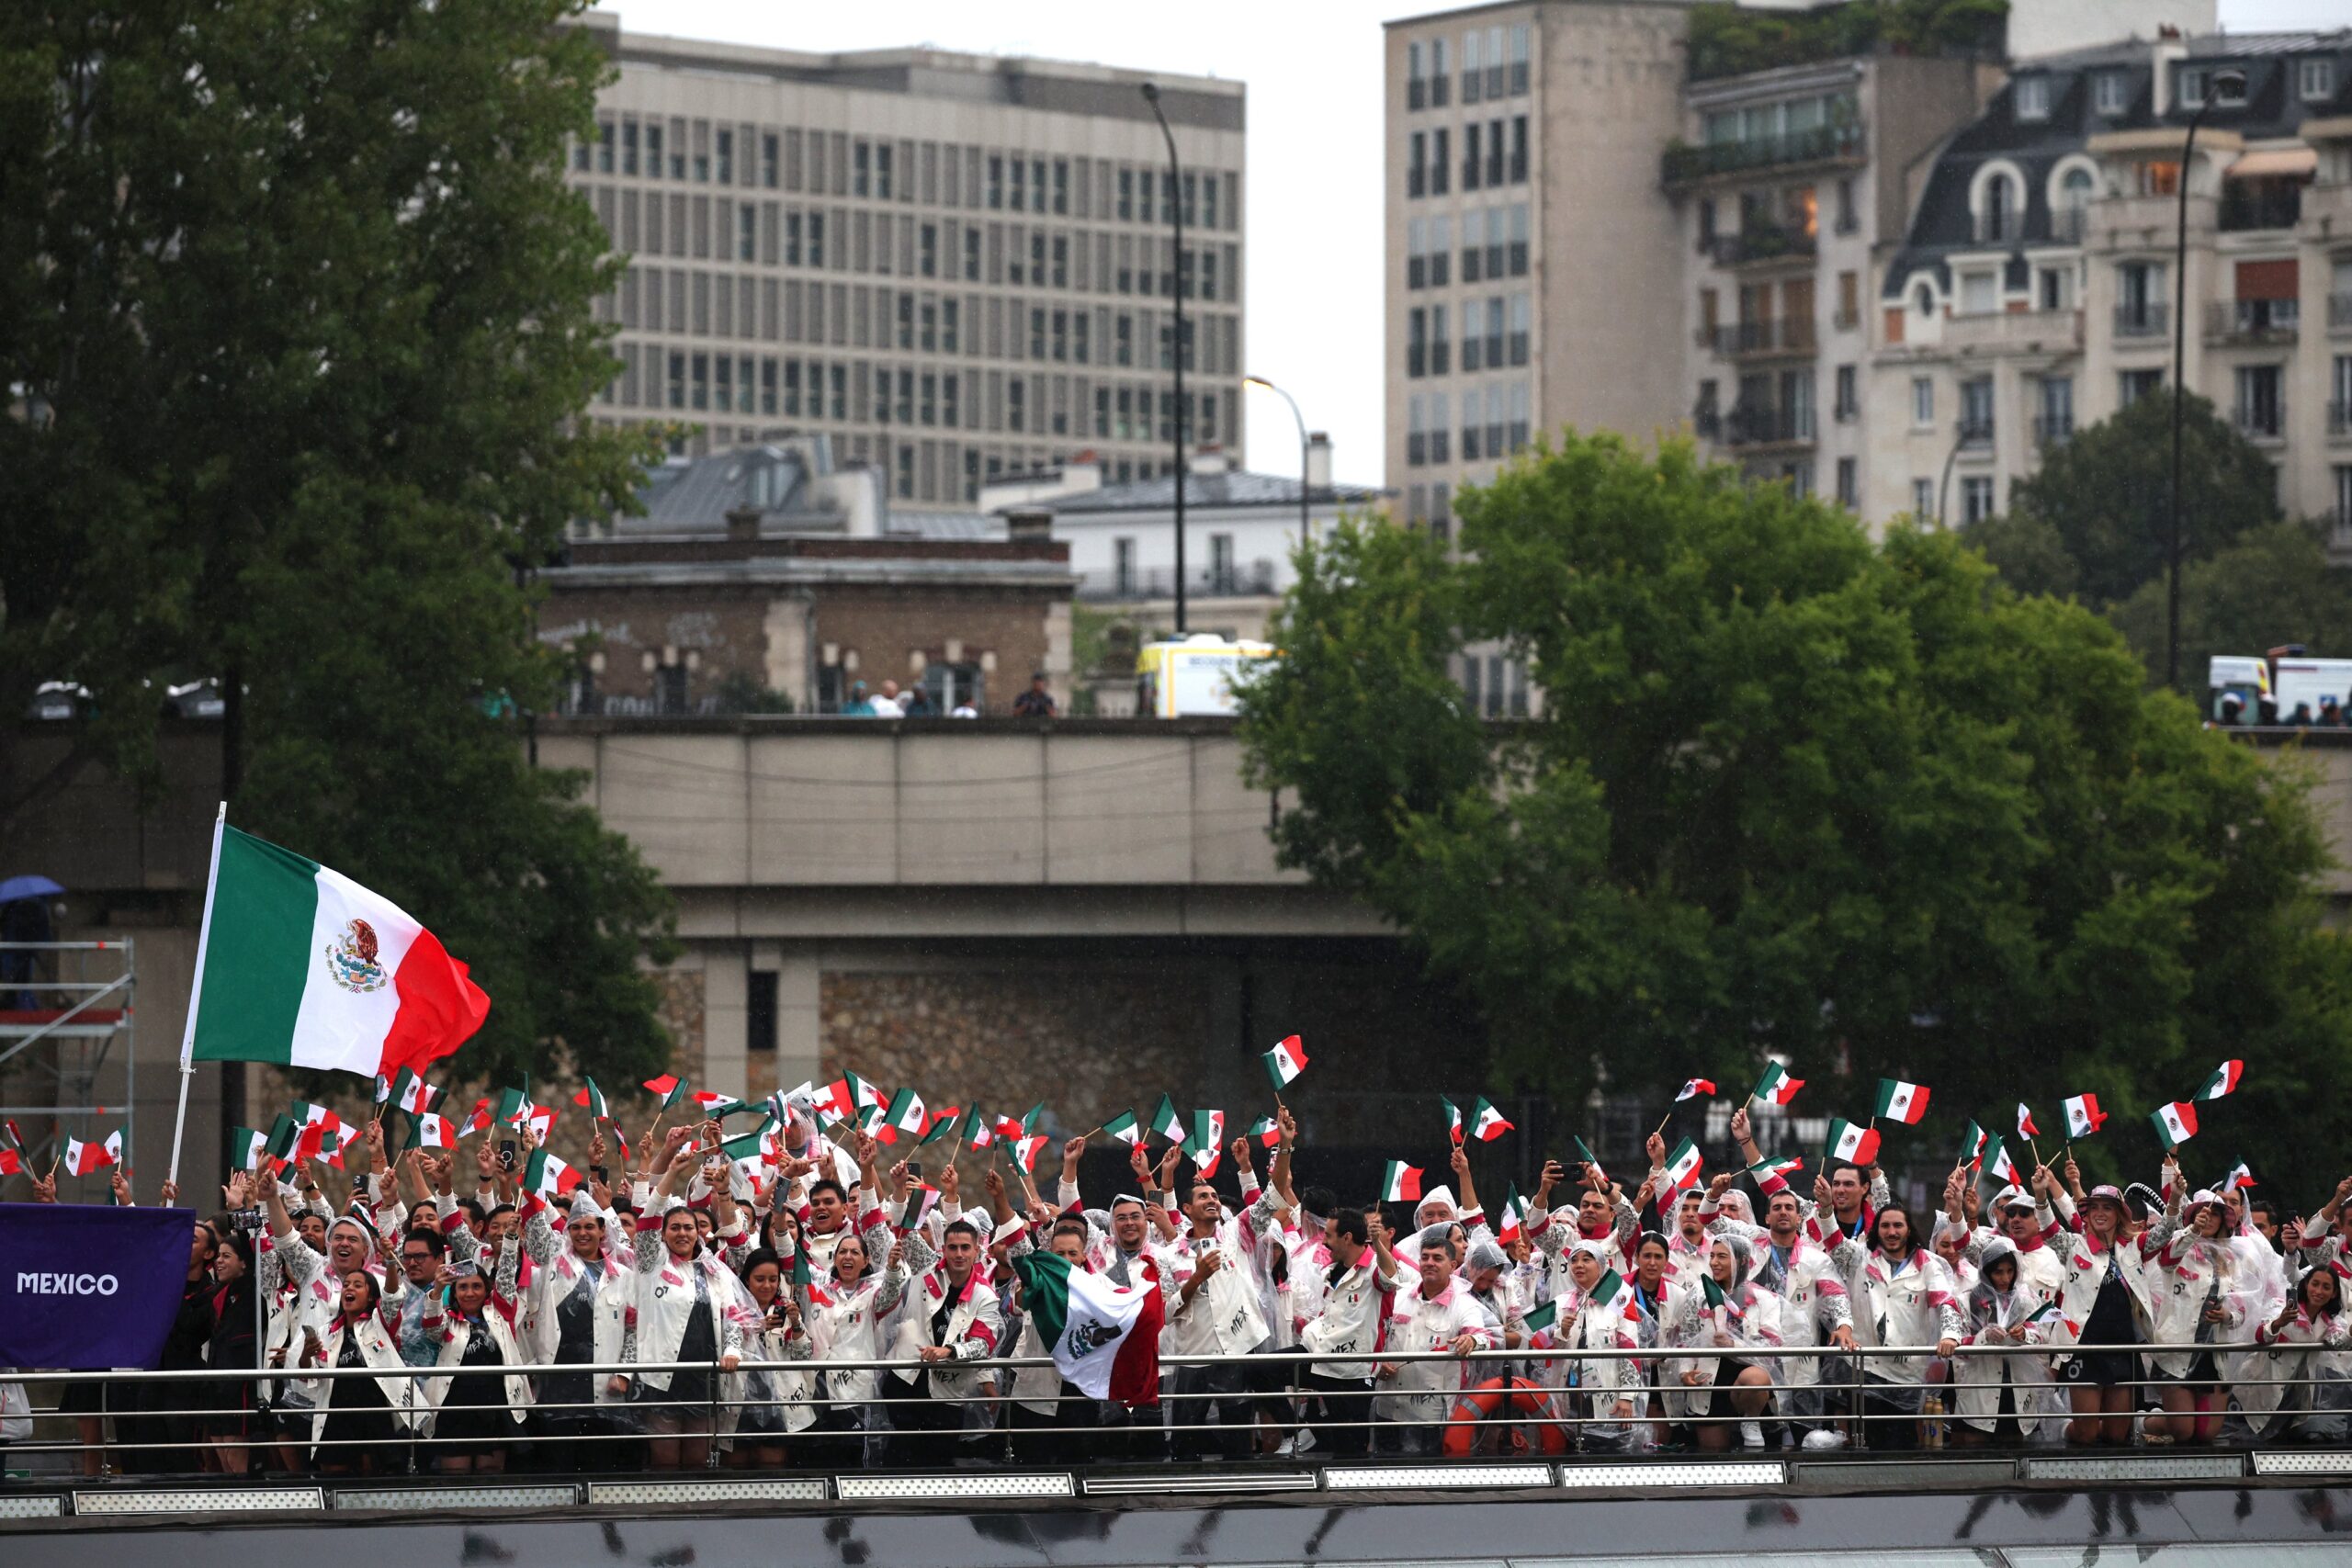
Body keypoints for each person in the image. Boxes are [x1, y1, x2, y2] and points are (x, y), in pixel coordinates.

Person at [623, 1126, 749, 1470]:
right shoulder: (651, 1262)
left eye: (688, 1228)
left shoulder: (711, 1268)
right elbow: (647, 1219)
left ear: (698, 1233)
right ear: (663, 1235)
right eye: (674, 1228)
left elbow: (732, 1315)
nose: (682, 1233)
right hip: (661, 1379)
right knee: (664, 1462)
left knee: (697, 1462)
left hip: (703, 1377)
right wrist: (673, 1173)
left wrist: (733, 1350)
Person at [1823, 1199, 1959, 1450]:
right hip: (1865, 1368)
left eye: (1898, 1225)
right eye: (1885, 1226)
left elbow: (1946, 1302)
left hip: (1906, 1373)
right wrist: (1825, 1209)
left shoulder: (1927, 1264)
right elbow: (1834, 1243)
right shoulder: (1860, 1257)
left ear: (1909, 1229)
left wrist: (1950, 1336)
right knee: (1865, 1443)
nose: (1892, 1232)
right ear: (1877, 1229)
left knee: (1902, 1443)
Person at [884, 1213, 1003, 1465]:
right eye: (952, 1248)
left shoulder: (986, 1295)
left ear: (977, 1250)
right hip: (905, 1379)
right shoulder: (926, 1267)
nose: (958, 1254)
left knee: (938, 1463)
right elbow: (904, 1226)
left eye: (965, 1248)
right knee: (899, 1459)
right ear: (943, 1249)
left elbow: (983, 1344)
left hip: (947, 1391)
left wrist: (949, 1351)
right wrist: (897, 1185)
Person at [1371, 1228, 1498, 1454]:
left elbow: (1486, 1337)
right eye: (1425, 1257)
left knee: (1426, 1481)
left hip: (1431, 1414)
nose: (1429, 1263)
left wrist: (1471, 1340)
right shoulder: (1399, 1296)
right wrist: (1377, 1366)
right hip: (1388, 1407)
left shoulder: (1464, 1304)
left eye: (1438, 1258)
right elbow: (1375, 1335)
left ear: (1452, 1265)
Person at [1660, 1236, 1782, 1451]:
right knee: (1714, 1453)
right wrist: (1685, 1371)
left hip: (1749, 1380)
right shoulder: (1699, 1293)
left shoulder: (1764, 1298)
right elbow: (1686, 1337)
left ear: (1742, 1261)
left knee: (1756, 1379)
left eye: (1722, 1257)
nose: (1714, 1262)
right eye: (1713, 1256)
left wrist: (1733, 1344)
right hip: (1710, 1380)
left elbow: (1772, 1345)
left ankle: (1750, 1419)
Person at [1298, 1207, 1400, 1457]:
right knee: (1259, 1370)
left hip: (1353, 1372)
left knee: (1350, 1450)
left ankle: (1353, 1495)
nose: (1324, 1241)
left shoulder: (1375, 1267)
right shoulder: (1330, 1270)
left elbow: (1389, 1277)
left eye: (1329, 1235)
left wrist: (1377, 1243)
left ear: (1346, 1237)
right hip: (1320, 1358)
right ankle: (1294, 1432)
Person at [421, 1251, 528, 1473]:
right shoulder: (447, 1321)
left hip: (495, 1408)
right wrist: (438, 1290)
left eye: (477, 1286)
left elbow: (507, 1274)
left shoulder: (500, 1315)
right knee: (455, 1474)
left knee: (491, 1472)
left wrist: (509, 1238)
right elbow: (431, 1327)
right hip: (455, 1410)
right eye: (463, 1287)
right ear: (455, 1292)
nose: (470, 1293)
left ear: (487, 1291)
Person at [305, 1269, 417, 1474]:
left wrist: (390, 1262)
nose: (349, 1288)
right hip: (336, 1416)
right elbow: (310, 1376)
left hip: (374, 1413)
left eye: (358, 1285)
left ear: (372, 1296)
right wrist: (306, 1354)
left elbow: (393, 1298)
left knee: (371, 1477)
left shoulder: (380, 1323)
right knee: (333, 1476)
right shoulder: (326, 1332)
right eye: (346, 1284)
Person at [1951, 1236, 2054, 1448]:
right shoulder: (1968, 1300)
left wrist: (2024, 1335)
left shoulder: (2027, 1298)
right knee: (1975, 1442)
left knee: (2015, 1444)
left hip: (2017, 1384)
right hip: (1981, 1384)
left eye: (2009, 1271)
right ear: (1987, 1271)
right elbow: (1959, 1346)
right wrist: (1984, 1337)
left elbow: (2042, 1333)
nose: (2005, 1278)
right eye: (1998, 1272)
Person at [723, 1247, 813, 1467]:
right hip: (740, 1400)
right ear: (746, 1280)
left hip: (778, 1402)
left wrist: (796, 1324)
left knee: (772, 1465)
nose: (767, 1286)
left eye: (773, 1279)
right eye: (760, 1279)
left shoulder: (787, 1310)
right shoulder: (733, 1308)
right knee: (735, 1466)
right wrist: (755, 1326)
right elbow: (727, 1342)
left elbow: (804, 1356)